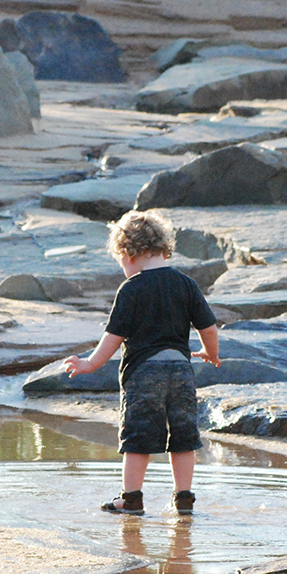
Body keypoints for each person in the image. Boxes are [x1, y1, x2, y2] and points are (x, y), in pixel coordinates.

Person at [63, 211, 221, 516]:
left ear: (128, 253)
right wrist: (210, 354)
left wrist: (90, 364)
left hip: (143, 373)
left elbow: (114, 335)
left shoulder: (132, 288)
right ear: (163, 247)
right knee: (183, 437)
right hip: (181, 371)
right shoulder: (186, 284)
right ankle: (184, 499)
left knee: (137, 439)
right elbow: (209, 329)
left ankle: (131, 499)